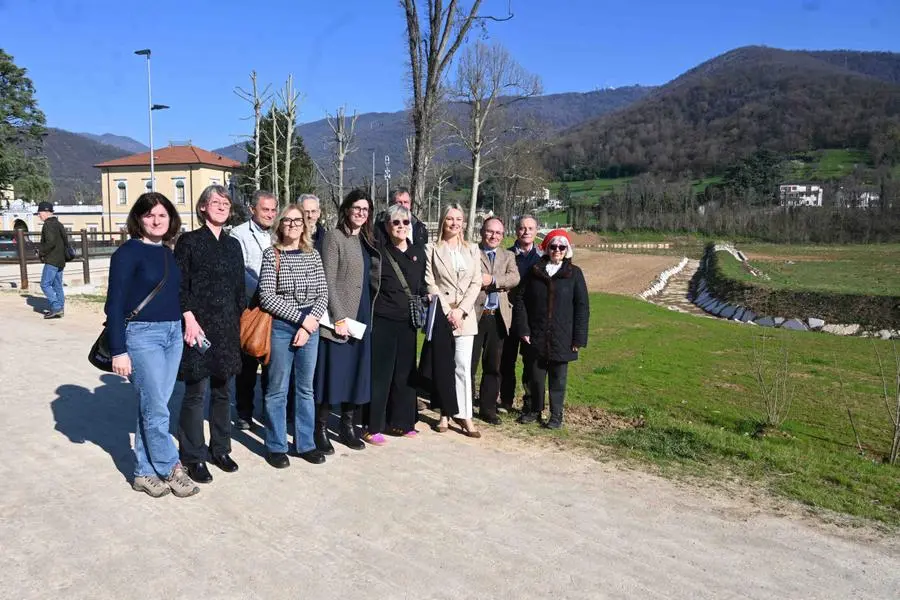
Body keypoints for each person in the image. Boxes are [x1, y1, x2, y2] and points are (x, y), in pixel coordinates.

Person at [106, 192, 199, 498]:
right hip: (142, 336)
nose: (156, 221)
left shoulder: (167, 253)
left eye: (162, 215)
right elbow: (115, 305)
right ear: (138, 219)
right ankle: (172, 467)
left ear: (170, 219)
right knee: (157, 408)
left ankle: (143, 472)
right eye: (149, 215)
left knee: (152, 405)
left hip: (172, 334)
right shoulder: (127, 253)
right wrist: (119, 350)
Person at [175, 185, 246, 483]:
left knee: (222, 392)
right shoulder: (189, 242)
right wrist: (189, 318)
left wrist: (236, 315)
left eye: (226, 202)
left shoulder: (233, 245)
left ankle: (221, 448)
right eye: (215, 202)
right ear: (202, 207)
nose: (221, 206)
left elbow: (240, 288)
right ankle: (193, 456)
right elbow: (180, 286)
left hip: (227, 328)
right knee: (196, 393)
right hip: (198, 329)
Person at [257, 203, 329, 468]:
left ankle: (305, 443)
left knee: (305, 389)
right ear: (280, 224)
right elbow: (267, 297)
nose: (293, 225)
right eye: (287, 220)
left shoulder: (313, 254)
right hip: (281, 328)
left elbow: (323, 294)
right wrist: (300, 320)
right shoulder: (271, 255)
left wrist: (308, 326)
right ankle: (275, 446)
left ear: (304, 225)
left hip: (310, 328)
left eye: (297, 221)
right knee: (277, 389)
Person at [314, 189, 381, 452]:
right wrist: (339, 315)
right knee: (333, 374)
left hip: (362, 313)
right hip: (339, 317)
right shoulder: (334, 237)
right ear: (347, 209)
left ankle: (347, 426)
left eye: (366, 210)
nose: (361, 213)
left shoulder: (366, 238)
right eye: (357, 208)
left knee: (356, 373)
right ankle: (320, 427)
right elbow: (327, 279)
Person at [514, 229, 589, 429]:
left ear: (567, 250)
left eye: (562, 247)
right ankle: (533, 410)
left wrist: (578, 338)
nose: (557, 250)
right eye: (553, 246)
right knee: (534, 376)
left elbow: (582, 307)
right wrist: (524, 329)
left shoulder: (575, 274)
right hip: (536, 334)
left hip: (562, 336)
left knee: (558, 378)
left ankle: (556, 415)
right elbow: (520, 300)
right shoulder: (535, 271)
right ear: (546, 248)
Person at [365, 203, 426, 445]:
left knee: (405, 374)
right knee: (382, 375)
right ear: (387, 226)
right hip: (383, 320)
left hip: (408, 321)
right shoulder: (379, 251)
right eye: (396, 223)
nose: (401, 227)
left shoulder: (418, 252)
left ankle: (402, 421)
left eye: (405, 222)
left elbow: (421, 284)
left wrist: (427, 295)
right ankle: (372, 426)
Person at [423, 203, 482, 437]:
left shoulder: (472, 250)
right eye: (450, 219)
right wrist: (449, 311)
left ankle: (465, 415)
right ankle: (445, 413)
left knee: (463, 367)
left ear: (464, 223)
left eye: (459, 219)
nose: (454, 223)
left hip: (465, 317)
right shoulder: (431, 249)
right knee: (444, 366)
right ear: (442, 222)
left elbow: (476, 282)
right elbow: (431, 282)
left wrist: (461, 311)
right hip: (443, 314)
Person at [230, 190, 278, 430]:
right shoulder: (238, 234)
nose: (270, 214)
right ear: (252, 209)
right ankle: (244, 412)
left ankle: (270, 411)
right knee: (248, 363)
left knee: (273, 363)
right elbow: (239, 271)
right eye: (265, 209)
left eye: (272, 210)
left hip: (278, 309)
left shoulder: (279, 233)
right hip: (252, 307)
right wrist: (263, 293)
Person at [470, 217, 520, 425]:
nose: (494, 236)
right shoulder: (471, 252)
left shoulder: (508, 255)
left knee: (493, 366)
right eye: (490, 232)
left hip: (497, 318)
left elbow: (514, 279)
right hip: (473, 316)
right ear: (482, 232)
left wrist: (493, 281)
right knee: (468, 364)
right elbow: (469, 277)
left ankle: (488, 408)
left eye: (498, 233)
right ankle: (463, 406)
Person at [499, 215, 543, 412]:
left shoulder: (542, 258)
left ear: (536, 231)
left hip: (531, 318)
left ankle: (529, 403)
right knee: (506, 360)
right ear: (516, 230)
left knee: (530, 364)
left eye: (530, 228)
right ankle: (506, 401)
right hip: (508, 315)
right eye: (522, 228)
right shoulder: (506, 255)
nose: (526, 232)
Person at [36, 201, 68, 319]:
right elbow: (65, 241)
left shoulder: (48, 224)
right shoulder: (59, 224)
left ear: (45, 212)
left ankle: (56, 307)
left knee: (45, 284)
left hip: (52, 260)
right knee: (57, 285)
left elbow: (50, 242)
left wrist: (41, 251)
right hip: (61, 260)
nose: (39, 215)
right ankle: (60, 308)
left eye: (39, 213)